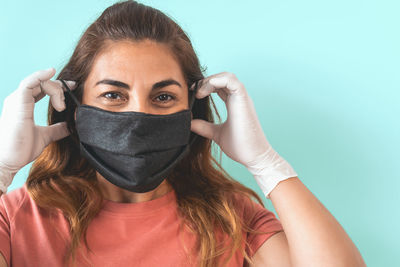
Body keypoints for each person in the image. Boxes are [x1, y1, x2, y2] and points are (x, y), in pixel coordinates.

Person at [0, 1, 366, 266]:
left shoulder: (231, 217)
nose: (138, 116)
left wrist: (265, 163)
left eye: (163, 97)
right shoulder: (16, 219)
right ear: (75, 108)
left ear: (191, 110)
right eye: (113, 95)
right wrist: (1, 170)